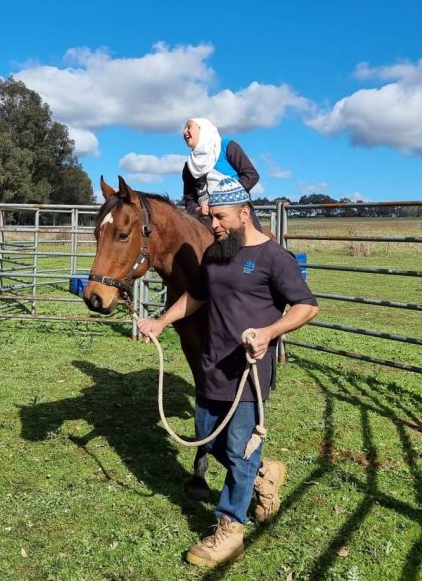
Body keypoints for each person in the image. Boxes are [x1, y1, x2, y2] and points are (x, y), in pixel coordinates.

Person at [137, 178, 319, 568]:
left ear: (244, 213)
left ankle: (230, 528)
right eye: (209, 217)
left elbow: (306, 306)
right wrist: (162, 321)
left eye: (219, 217)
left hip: (248, 373)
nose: (213, 225)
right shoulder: (216, 255)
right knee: (207, 438)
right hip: (211, 364)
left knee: (237, 450)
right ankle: (264, 474)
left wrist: (271, 332)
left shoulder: (274, 258)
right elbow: (196, 295)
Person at [180, 118, 263, 230]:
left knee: (253, 242)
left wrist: (226, 198)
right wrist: (198, 210)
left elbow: (251, 175)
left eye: (189, 127)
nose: (185, 131)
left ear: (203, 129)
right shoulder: (189, 166)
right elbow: (189, 200)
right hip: (206, 219)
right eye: (184, 128)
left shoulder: (226, 146)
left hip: (236, 211)